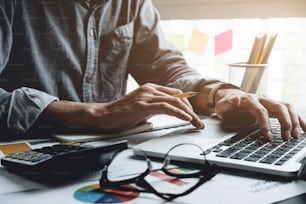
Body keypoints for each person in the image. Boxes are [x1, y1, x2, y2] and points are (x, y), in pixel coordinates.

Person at [0, 0, 305, 141]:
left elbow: (165, 66)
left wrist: (222, 94)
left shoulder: (134, 4)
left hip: (109, 159)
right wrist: (96, 114)